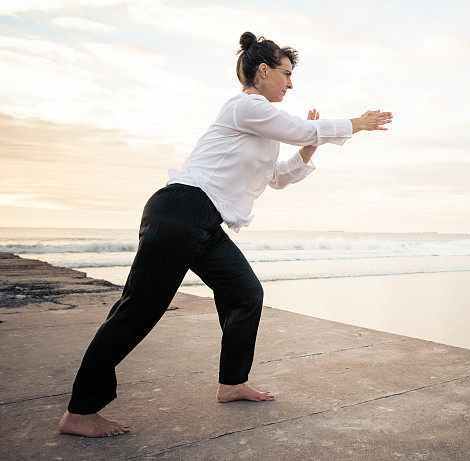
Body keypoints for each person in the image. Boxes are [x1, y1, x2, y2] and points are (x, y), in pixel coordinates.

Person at [58, 31, 392, 438]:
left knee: (245, 294)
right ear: (263, 71)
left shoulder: (264, 131)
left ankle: (232, 383)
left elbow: (281, 177)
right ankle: (80, 411)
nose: (290, 83)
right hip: (180, 210)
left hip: (204, 223)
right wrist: (358, 123)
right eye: (286, 74)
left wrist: (312, 143)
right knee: (138, 312)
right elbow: (303, 130)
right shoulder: (245, 106)